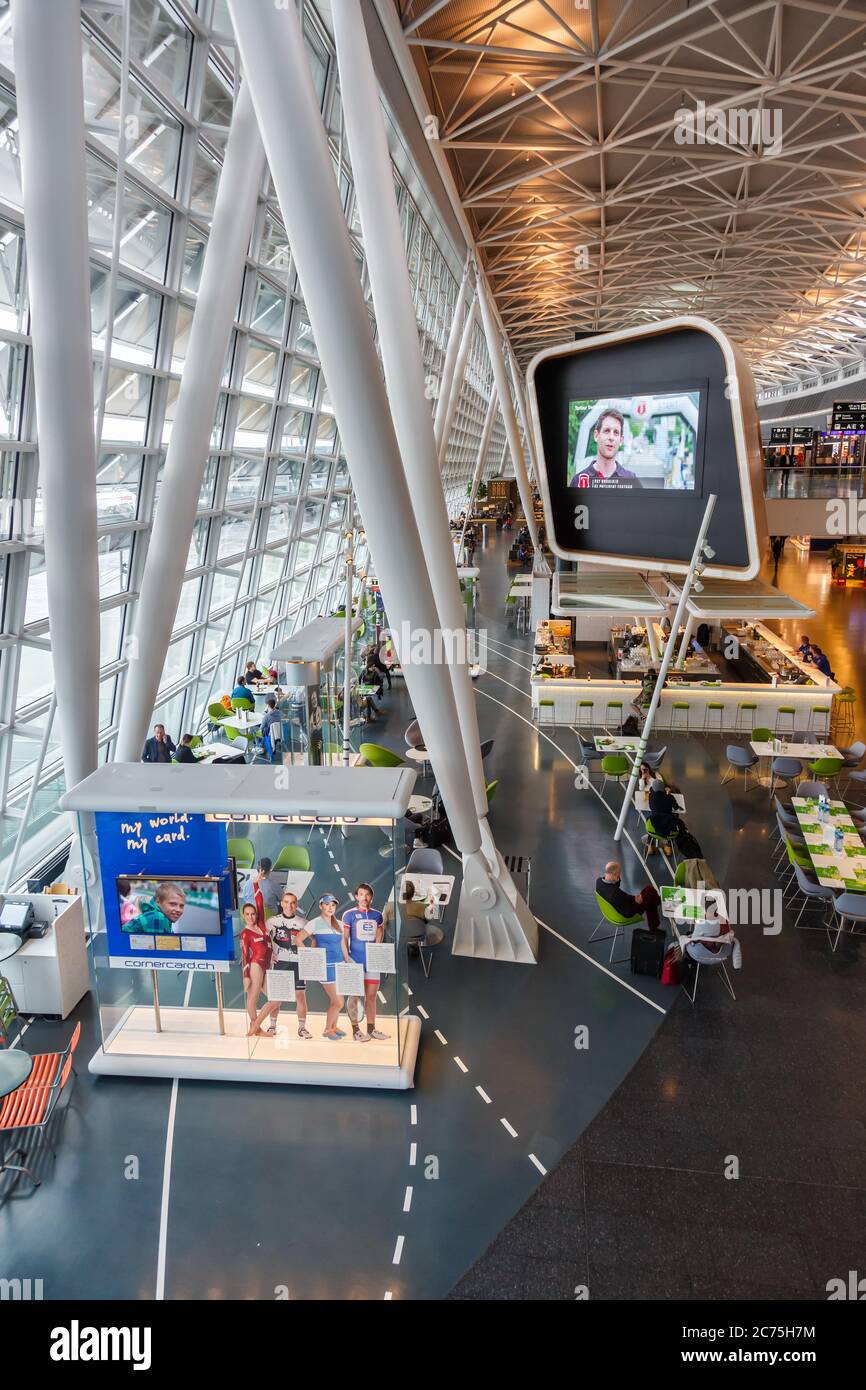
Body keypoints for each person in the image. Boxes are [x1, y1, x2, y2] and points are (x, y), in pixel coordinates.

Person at [342, 882, 389, 1042]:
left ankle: (371, 1029)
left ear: (371, 897)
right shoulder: (349, 914)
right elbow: (344, 939)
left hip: (372, 962)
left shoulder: (377, 915)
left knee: (371, 996)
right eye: (361, 894)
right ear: (357, 896)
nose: (364, 897)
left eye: (367, 894)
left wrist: (376, 950)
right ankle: (355, 1030)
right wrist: (347, 959)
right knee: (354, 996)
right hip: (355, 960)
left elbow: (380, 931)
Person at [265, 890, 314, 1040]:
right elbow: (265, 940)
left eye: (292, 902)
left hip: (297, 963)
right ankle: (272, 1025)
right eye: (286, 902)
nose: (289, 905)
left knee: (300, 995)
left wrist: (309, 955)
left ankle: (302, 1028)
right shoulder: (272, 921)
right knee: (276, 996)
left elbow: (314, 939)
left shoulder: (303, 922)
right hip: (280, 962)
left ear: (296, 904)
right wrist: (270, 954)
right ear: (282, 903)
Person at [310, 894, 350, 1041]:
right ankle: (327, 1030)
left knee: (337, 1001)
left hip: (339, 966)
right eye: (327, 905)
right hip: (326, 969)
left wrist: (348, 961)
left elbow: (342, 945)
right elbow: (299, 939)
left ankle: (334, 1027)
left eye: (333, 905)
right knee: (338, 1002)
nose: (330, 907)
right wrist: (312, 956)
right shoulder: (314, 923)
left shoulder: (339, 924)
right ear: (321, 906)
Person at [571, 408, 642, 488]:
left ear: (621, 440)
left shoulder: (632, 480)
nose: (611, 437)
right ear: (596, 436)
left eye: (616, 432)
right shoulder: (577, 481)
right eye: (607, 431)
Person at [240, 901, 275, 1036]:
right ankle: (257, 1029)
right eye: (247, 914)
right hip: (255, 965)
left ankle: (255, 1025)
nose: (250, 917)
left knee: (275, 1000)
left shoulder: (261, 926)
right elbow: (244, 956)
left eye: (253, 914)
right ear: (243, 916)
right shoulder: (245, 933)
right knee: (253, 997)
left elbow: (260, 902)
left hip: (266, 965)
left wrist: (256, 884)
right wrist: (246, 976)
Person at [596, 860, 661, 931]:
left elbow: (614, 888)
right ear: (614, 874)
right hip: (629, 910)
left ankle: (657, 902)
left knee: (650, 896)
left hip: (613, 909)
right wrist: (637, 903)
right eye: (619, 873)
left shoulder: (599, 881)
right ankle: (654, 926)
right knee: (649, 891)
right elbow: (628, 914)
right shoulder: (615, 893)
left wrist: (616, 878)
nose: (620, 875)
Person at [382, 880, 444, 947]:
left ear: (399, 892)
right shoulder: (421, 906)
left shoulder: (388, 906)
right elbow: (429, 918)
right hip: (417, 934)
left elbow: (383, 924)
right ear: (413, 893)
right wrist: (432, 905)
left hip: (395, 935)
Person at [647, 777, 684, 854]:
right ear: (663, 789)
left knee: (652, 821)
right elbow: (676, 807)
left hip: (653, 829)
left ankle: (650, 847)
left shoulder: (651, 797)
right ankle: (669, 848)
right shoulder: (669, 797)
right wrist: (669, 793)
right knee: (673, 819)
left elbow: (651, 790)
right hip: (668, 829)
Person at [240, 857, 280, 923]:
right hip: (267, 916)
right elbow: (282, 898)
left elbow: (245, 898)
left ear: (257, 869)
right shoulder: (274, 884)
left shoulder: (247, 883)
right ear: (270, 870)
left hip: (249, 917)